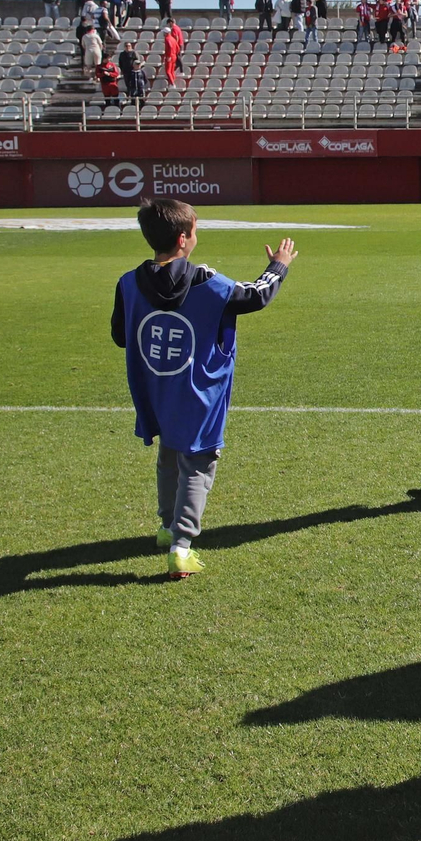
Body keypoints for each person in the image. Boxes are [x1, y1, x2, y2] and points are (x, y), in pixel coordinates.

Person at [110, 199, 299, 579]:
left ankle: (166, 527)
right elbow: (257, 295)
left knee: (168, 454)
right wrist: (279, 264)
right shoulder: (208, 284)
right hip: (198, 394)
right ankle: (182, 547)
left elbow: (120, 336)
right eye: (195, 229)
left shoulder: (129, 282)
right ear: (184, 239)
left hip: (156, 389)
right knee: (198, 463)